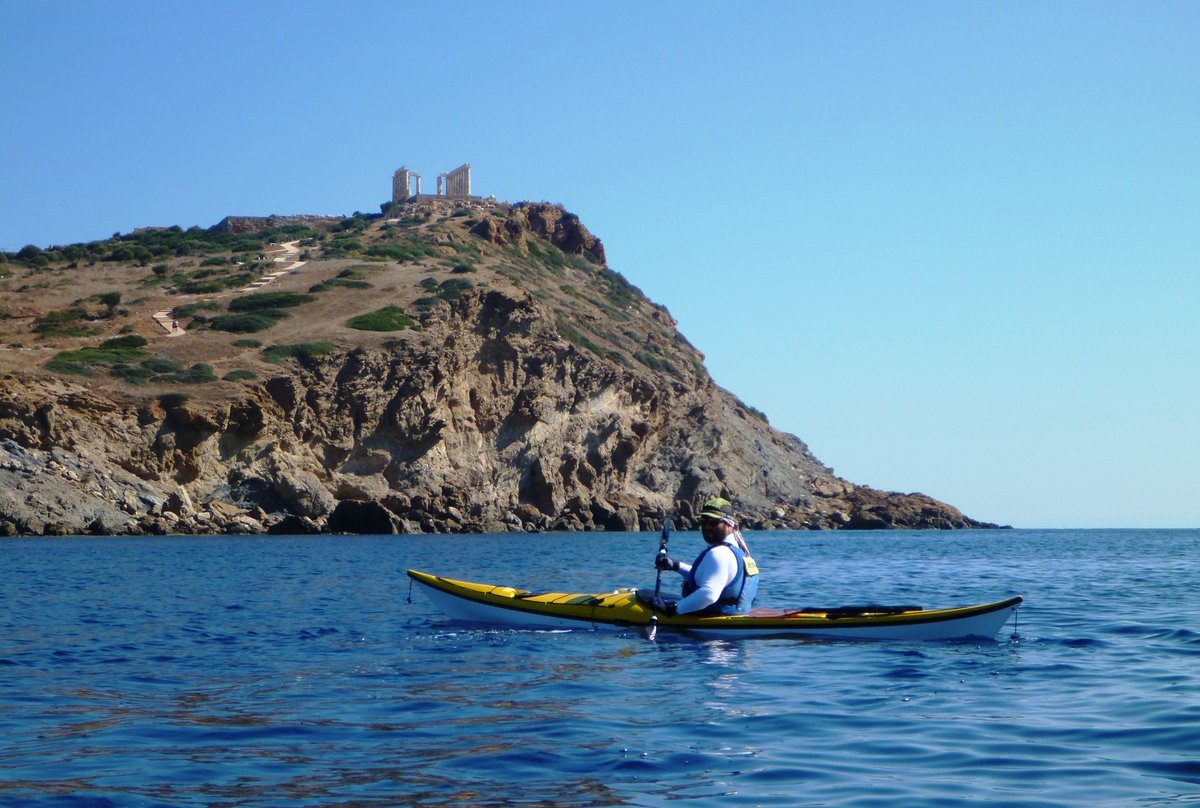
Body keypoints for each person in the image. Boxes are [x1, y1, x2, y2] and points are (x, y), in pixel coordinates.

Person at [652, 497, 760, 615]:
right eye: (703, 521)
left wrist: (672, 609)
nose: (707, 527)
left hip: (714, 623)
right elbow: (710, 577)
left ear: (730, 525)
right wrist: (676, 566)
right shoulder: (739, 553)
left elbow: (709, 594)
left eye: (714, 522)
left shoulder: (719, 554)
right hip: (737, 615)